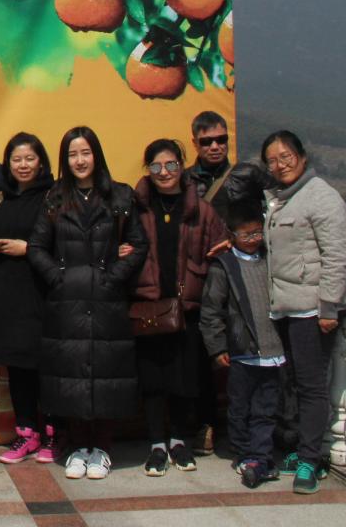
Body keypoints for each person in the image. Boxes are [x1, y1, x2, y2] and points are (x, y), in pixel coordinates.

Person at [27, 126, 147, 480]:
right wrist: (58, 278)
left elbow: (139, 245)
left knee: (106, 376)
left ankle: (103, 449)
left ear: (97, 155)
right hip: (67, 303)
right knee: (72, 376)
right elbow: (36, 247)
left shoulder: (120, 196)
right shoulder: (55, 198)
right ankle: (79, 447)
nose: (79, 161)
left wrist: (113, 277)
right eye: (72, 154)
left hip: (108, 300)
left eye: (85, 152)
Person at [261, 130, 346, 495]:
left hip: (311, 310)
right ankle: (303, 447)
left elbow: (336, 257)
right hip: (284, 307)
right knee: (295, 382)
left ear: (302, 156)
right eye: (272, 160)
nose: (280, 165)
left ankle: (311, 460)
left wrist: (329, 307)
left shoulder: (322, 197)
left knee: (312, 386)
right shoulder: (280, 199)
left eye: (286, 157)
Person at [131, 139, 225, 476]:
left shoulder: (201, 210)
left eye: (171, 164)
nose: (164, 172)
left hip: (188, 308)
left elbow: (219, 252)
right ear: (148, 170)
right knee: (153, 379)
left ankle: (180, 441)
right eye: (156, 166)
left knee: (185, 379)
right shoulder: (136, 208)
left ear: (182, 165)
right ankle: (157, 444)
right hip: (149, 307)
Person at [0, 132, 60, 465]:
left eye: (29, 158)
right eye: (16, 159)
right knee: (17, 365)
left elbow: (66, 243)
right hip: (7, 292)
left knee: (46, 366)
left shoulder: (55, 196)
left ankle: (53, 435)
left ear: (41, 162)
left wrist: (28, 249)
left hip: (41, 291)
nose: (23, 165)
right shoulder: (3, 197)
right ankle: (26, 433)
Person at [200, 201, 285, 489]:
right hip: (241, 352)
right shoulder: (223, 266)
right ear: (231, 234)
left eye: (257, 233)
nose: (253, 240)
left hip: (273, 351)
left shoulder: (271, 260)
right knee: (239, 406)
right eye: (246, 235)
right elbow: (211, 312)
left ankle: (260, 456)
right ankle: (243, 451)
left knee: (266, 407)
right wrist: (217, 347)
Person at [185, 110, 233, 456]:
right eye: (207, 142)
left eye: (221, 140)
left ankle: (238, 426)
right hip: (199, 279)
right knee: (201, 360)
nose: (215, 147)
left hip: (237, 277)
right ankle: (206, 423)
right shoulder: (183, 181)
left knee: (240, 355)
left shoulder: (245, 177)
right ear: (195, 143)